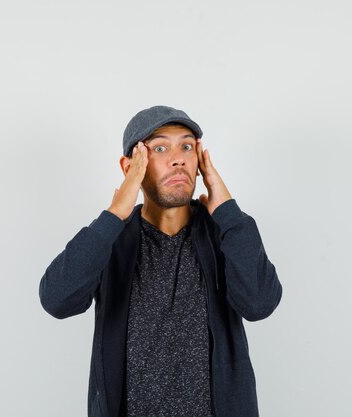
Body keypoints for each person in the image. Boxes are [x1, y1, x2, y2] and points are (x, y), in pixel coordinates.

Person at [38, 105, 283, 417]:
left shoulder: (225, 233)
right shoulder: (110, 239)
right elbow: (57, 300)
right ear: (130, 167)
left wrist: (229, 214)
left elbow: (260, 304)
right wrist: (114, 215)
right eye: (160, 147)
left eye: (187, 146)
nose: (177, 158)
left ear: (199, 162)